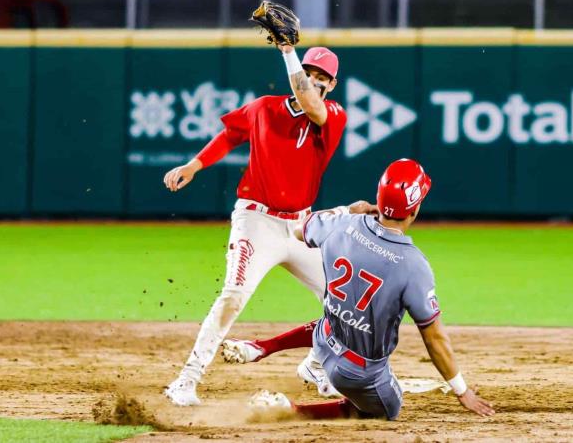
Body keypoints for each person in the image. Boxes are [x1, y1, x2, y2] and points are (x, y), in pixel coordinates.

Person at [222, 159, 496, 419]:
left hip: (324, 339)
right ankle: (294, 410)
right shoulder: (414, 265)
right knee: (388, 409)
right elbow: (434, 338)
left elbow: (297, 230)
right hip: (357, 372)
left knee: (338, 318)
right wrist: (462, 390)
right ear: (414, 209)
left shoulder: (342, 224)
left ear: (379, 198)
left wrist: (345, 211)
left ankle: (262, 347)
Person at [162, 43, 347, 406]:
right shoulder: (264, 107)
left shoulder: (334, 115)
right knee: (233, 296)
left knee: (344, 302)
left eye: (321, 77)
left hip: (301, 227)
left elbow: (311, 104)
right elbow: (231, 134)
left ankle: (316, 366)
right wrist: (194, 165)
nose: (312, 80)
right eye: (308, 73)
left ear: (332, 85)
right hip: (256, 220)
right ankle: (186, 381)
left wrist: (288, 51)